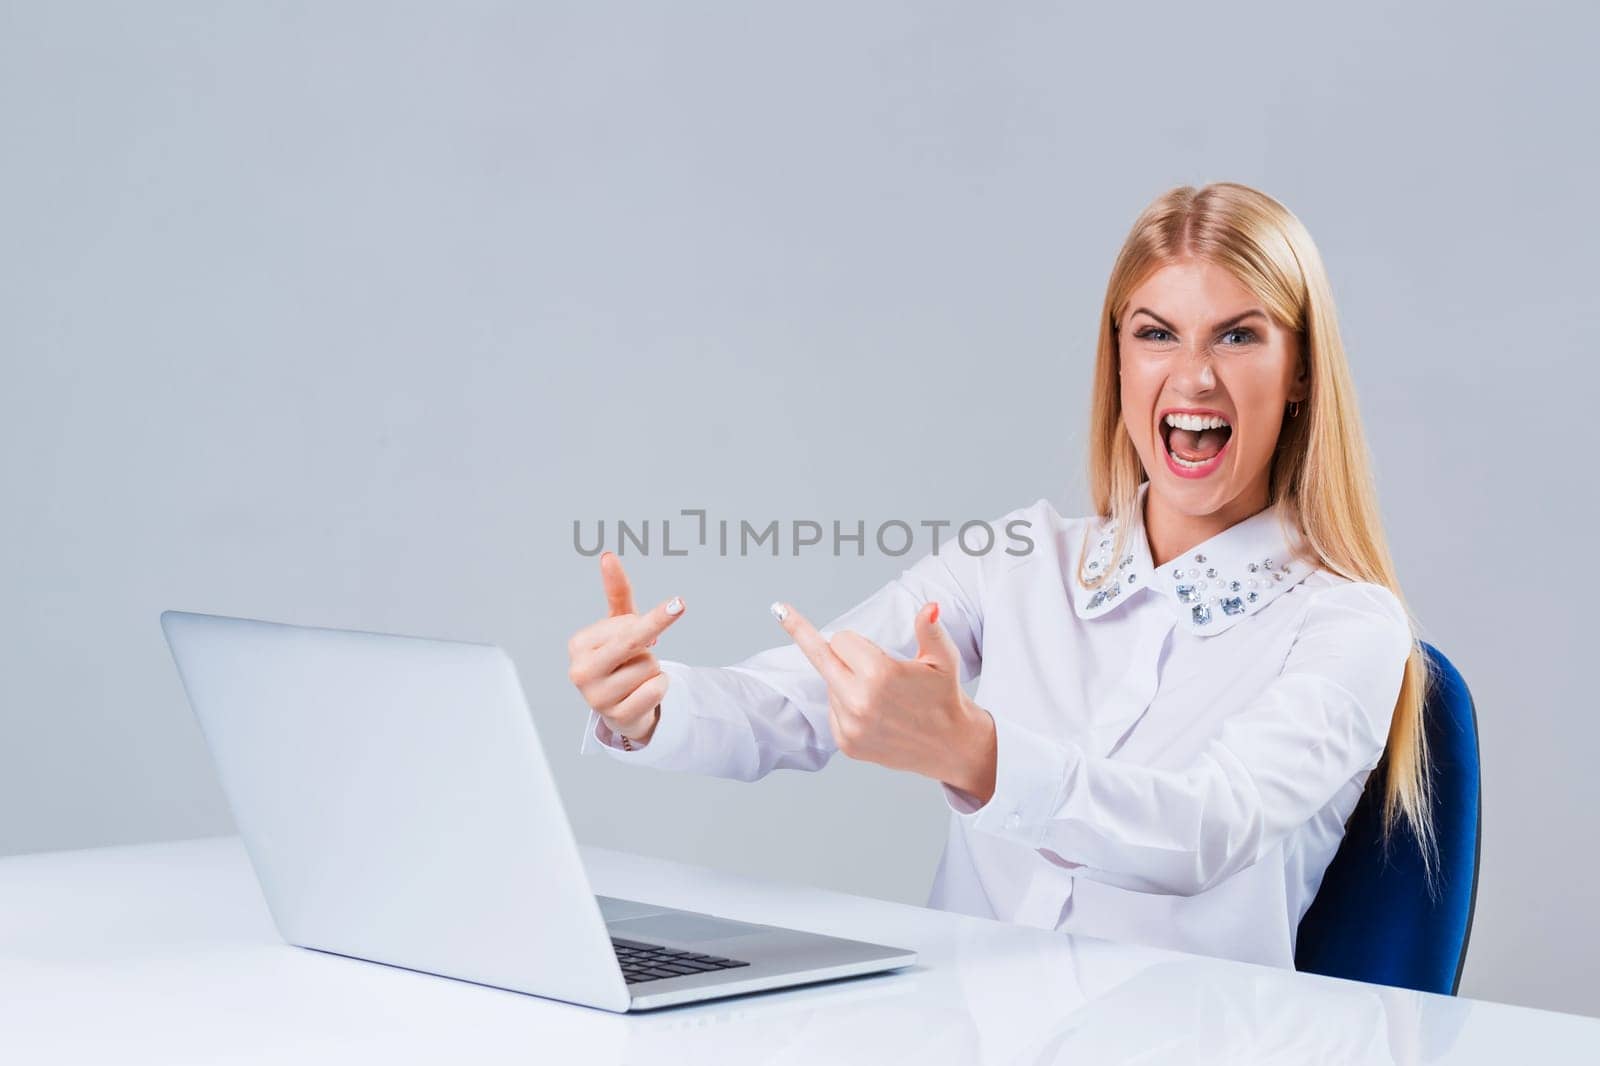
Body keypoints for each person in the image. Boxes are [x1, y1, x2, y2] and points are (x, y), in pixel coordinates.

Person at [566, 181, 1434, 970]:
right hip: (957, 1033)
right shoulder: (1020, 558)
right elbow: (806, 695)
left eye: (1239, 336)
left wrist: (977, 755)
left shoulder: (1348, 625)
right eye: (1156, 334)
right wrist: (652, 703)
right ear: (1121, 360)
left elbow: (1207, 829)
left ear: (1301, 374)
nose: (1193, 375)